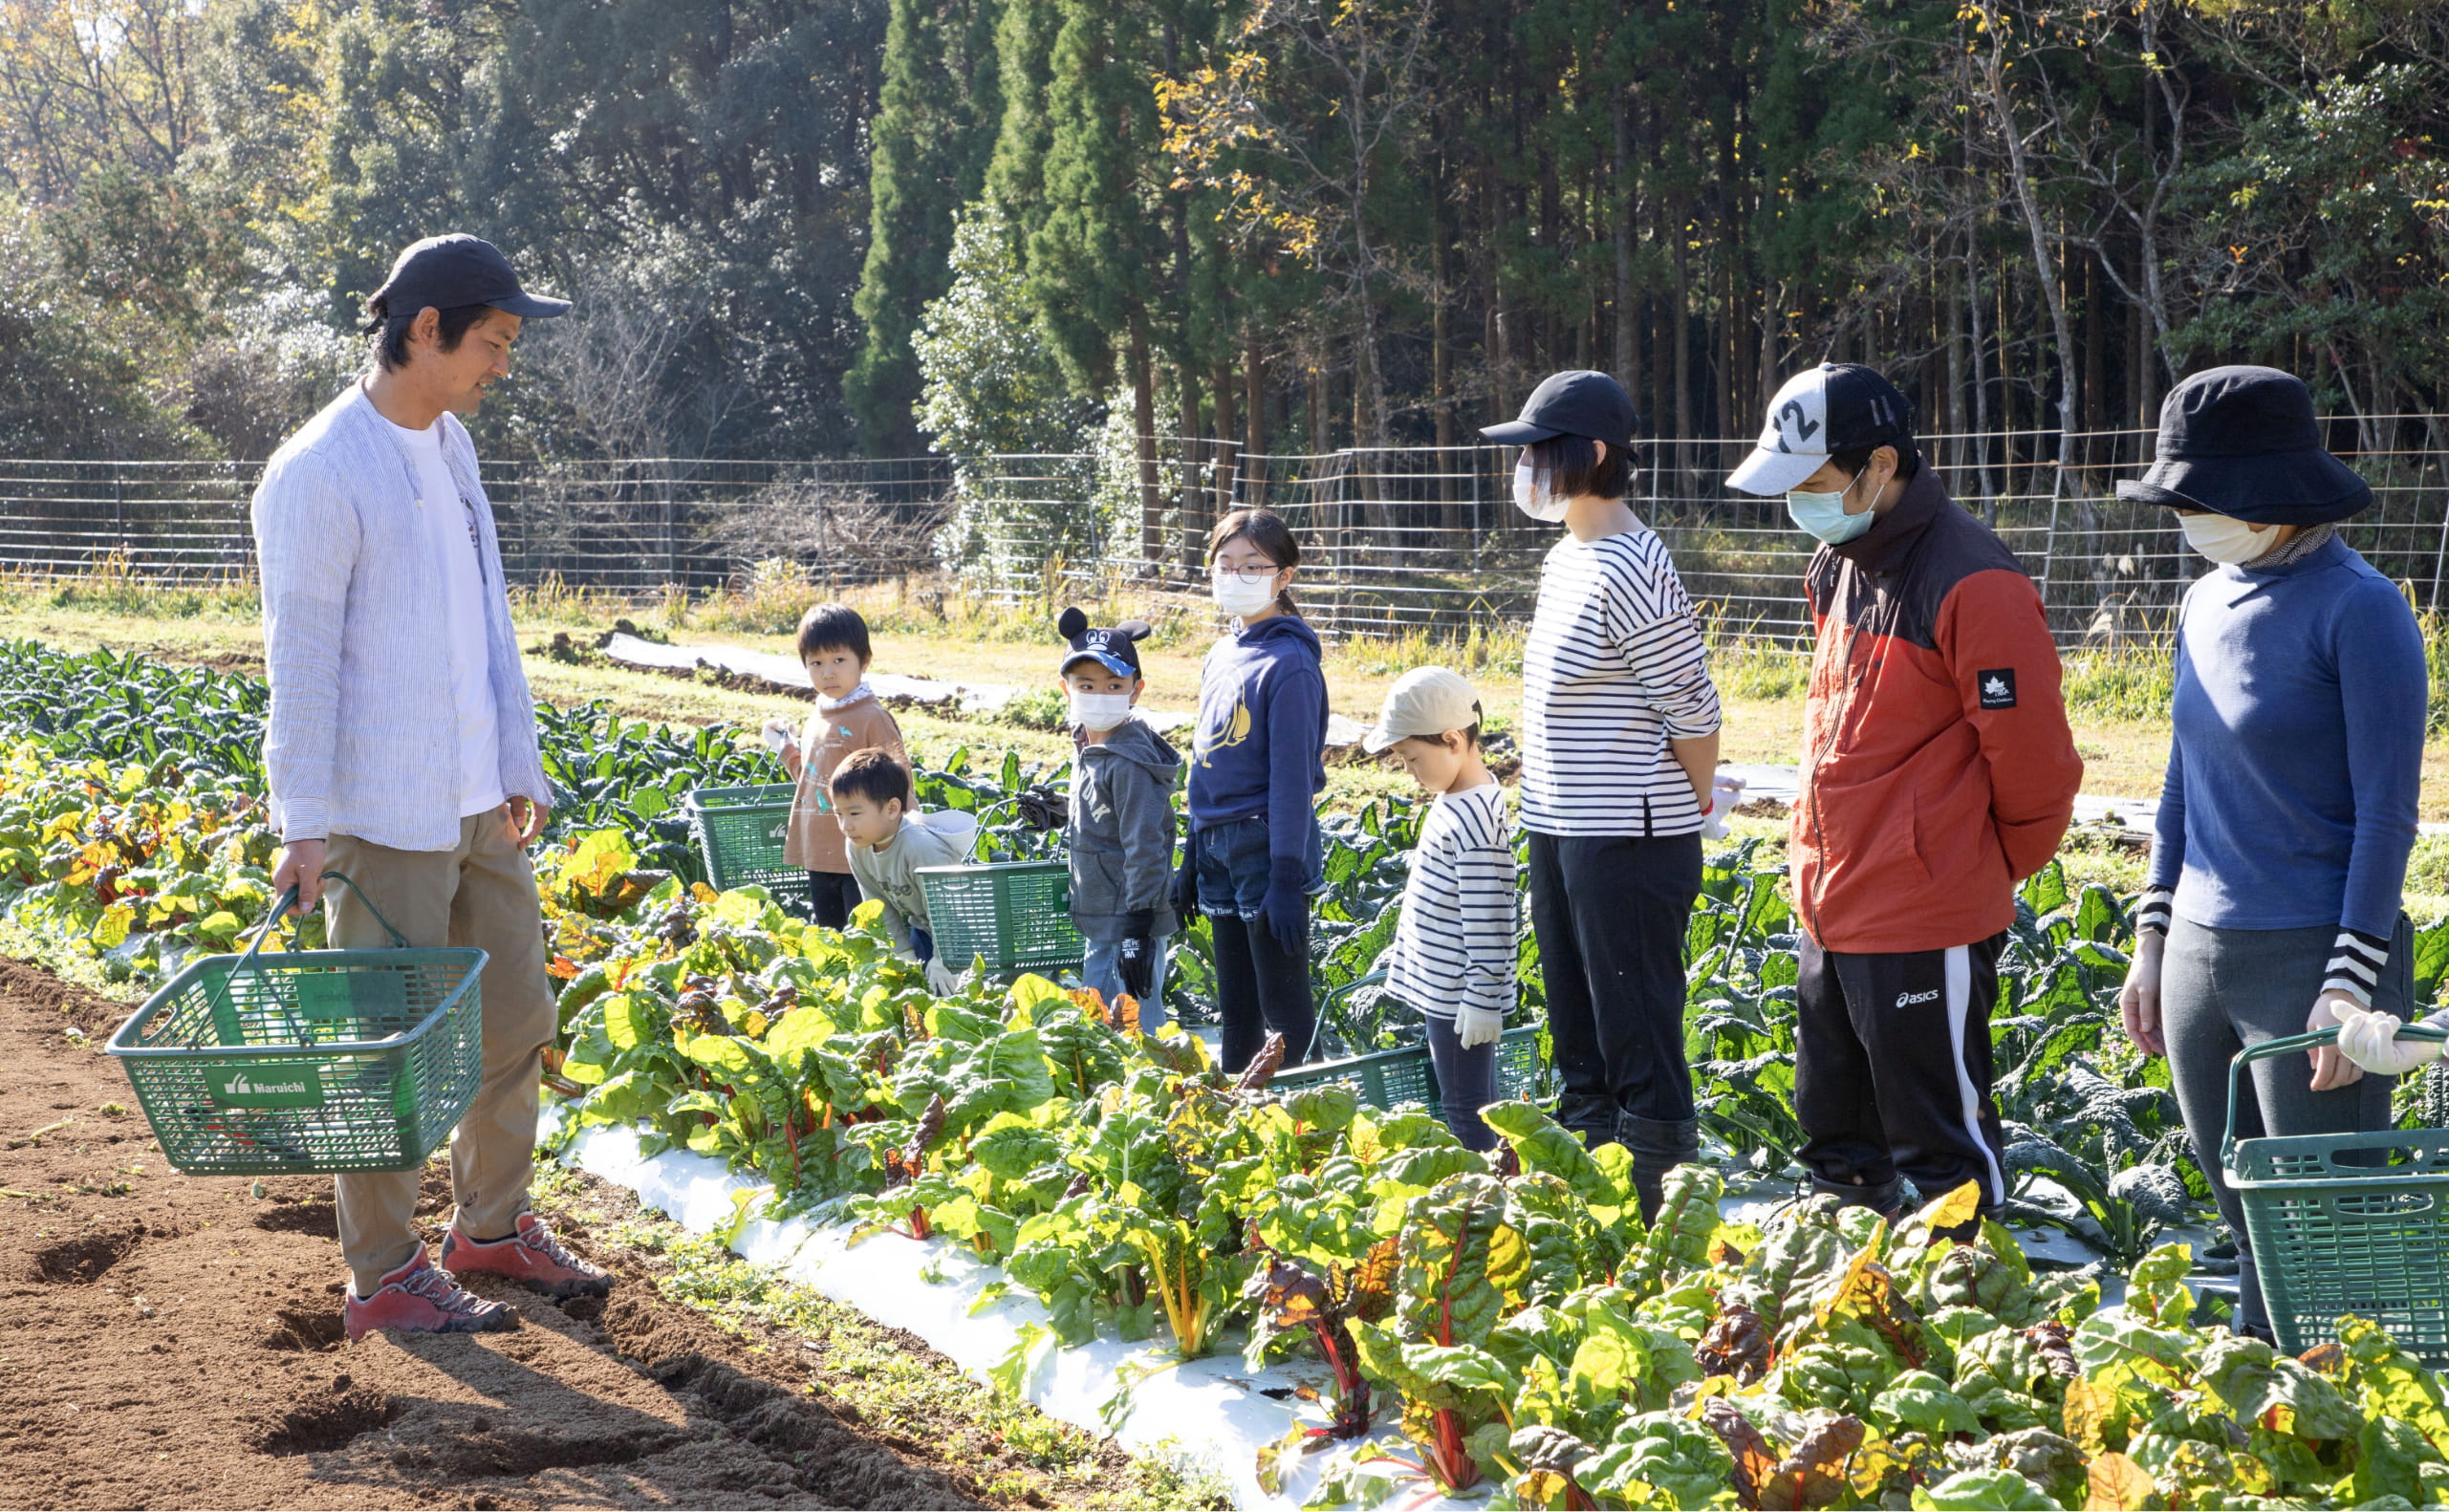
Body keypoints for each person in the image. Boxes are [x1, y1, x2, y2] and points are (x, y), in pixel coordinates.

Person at [251, 233, 612, 1340]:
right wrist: (303, 824)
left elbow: (484, 620)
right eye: (493, 342)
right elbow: (299, 662)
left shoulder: (449, 444)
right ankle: (384, 1275)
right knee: (387, 1053)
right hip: (377, 812)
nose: (503, 363)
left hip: (472, 797)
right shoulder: (319, 470)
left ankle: (489, 1226)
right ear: (425, 330)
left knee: (514, 1022)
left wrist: (515, 758)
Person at [1728, 361, 2081, 1232]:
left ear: (1879, 466)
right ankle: (1859, 1313)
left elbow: (2037, 769)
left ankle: (1971, 1319)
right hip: (1832, 900)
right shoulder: (1840, 557)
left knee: (1941, 1155)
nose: (1799, 503)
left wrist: (1962, 873)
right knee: (1836, 1140)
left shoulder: (1975, 582)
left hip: (1923, 914)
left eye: (1811, 482)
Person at [2113, 366, 2423, 1339]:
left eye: (2201, 498)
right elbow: (2179, 780)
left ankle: (2336, 1457)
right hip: (2201, 958)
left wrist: (2348, 984)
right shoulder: (2204, 601)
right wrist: (2152, 936)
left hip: (2311, 967)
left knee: (2322, 1247)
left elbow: (2387, 818)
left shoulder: (2361, 611)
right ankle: (2257, 1442)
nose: (2189, 517)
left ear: (2268, 495)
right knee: (2247, 1227)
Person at [1481, 370, 1729, 1220]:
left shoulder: (1635, 562)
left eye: (1535, 455)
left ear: (1590, 456)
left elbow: (1692, 707)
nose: (1523, 472)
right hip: (1558, 824)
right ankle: (1587, 1191)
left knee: (1638, 1029)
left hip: (1626, 835)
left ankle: (1660, 1208)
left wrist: (1689, 801)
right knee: (1577, 1023)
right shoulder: (1568, 556)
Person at [1174, 508, 1328, 1071]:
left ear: (1283, 577)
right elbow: (1205, 762)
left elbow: (1292, 781)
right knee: (1234, 1008)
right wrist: (1192, 854)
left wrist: (1286, 878)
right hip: (1217, 845)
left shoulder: (1291, 665)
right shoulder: (1221, 654)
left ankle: (1304, 1122)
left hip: (1268, 849)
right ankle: (1238, 1126)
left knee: (1282, 1012)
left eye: (1253, 566)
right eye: (1225, 564)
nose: (1235, 576)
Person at [1364, 667, 1516, 1152]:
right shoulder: (1457, 796)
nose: (1409, 770)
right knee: (1473, 1102)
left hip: (1460, 1001)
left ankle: (1483, 1199)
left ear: (1452, 739)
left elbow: (1492, 916)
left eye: (1412, 758)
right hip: (1445, 991)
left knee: (1467, 1109)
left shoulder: (1475, 821)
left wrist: (1482, 996)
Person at [1054, 607, 1182, 1029]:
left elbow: (1144, 845)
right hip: (1102, 916)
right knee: (1108, 1022)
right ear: (1066, 688)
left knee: (1132, 1025)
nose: (1100, 695)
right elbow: (1107, 815)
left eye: (1114, 685)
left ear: (1136, 689)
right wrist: (1062, 812)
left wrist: (1138, 929)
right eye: (1086, 685)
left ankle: (1164, 1086)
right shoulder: (1089, 743)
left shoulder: (1128, 760)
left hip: (1127, 920)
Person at [769, 603, 906, 930]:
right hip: (819, 851)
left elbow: (900, 785)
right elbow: (811, 779)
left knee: (866, 941)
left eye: (839, 660)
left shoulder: (872, 718)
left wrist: (897, 847)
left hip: (860, 856)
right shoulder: (817, 716)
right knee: (831, 939)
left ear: (865, 660)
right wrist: (786, 748)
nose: (827, 672)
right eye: (816, 662)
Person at [833, 747, 978, 994]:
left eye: (854, 813)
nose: (846, 825)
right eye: (839, 814)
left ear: (891, 809)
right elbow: (877, 905)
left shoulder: (920, 847)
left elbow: (952, 910)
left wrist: (945, 960)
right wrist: (902, 954)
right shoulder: (858, 846)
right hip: (922, 930)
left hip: (966, 933)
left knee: (958, 998)